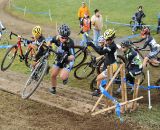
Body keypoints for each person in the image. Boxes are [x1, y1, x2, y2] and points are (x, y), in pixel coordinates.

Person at [87, 29, 118, 96]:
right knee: (101, 79)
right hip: (107, 64)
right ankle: (99, 90)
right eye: (105, 39)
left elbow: (101, 52)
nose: (106, 41)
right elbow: (101, 50)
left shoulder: (112, 46)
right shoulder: (108, 43)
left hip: (112, 66)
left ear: (112, 38)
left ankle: (103, 92)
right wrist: (102, 45)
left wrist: (92, 45)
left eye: (107, 40)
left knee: (98, 78)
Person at [49, 24, 75, 94]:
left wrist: (67, 57)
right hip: (59, 57)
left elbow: (73, 56)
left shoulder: (70, 42)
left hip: (68, 60)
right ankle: (53, 88)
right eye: (62, 37)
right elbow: (50, 41)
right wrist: (49, 46)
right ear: (59, 35)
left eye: (66, 38)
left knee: (62, 76)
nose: (64, 39)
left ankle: (65, 78)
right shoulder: (56, 38)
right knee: (53, 75)